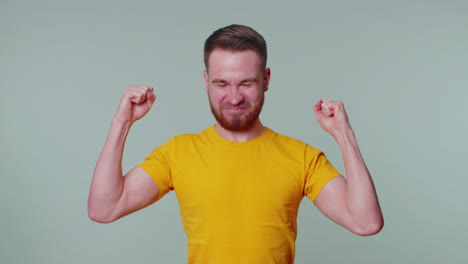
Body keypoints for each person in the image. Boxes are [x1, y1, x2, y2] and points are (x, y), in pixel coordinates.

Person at [88, 24, 383, 264]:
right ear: (206, 81)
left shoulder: (302, 156)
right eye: (221, 83)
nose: (233, 97)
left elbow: (365, 223)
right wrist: (121, 124)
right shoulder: (177, 153)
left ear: (266, 80)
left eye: (246, 83)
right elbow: (104, 208)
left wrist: (345, 136)